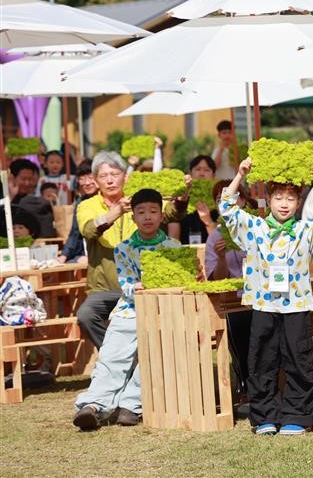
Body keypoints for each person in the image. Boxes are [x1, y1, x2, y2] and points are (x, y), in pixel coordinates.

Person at [219, 157, 313, 436]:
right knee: (261, 360)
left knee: (298, 360)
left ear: (299, 203)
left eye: (290, 198)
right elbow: (226, 207)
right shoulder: (254, 228)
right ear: (268, 200)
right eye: (278, 197)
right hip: (263, 304)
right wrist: (240, 174)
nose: (284, 204)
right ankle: (264, 416)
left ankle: (297, 416)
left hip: (297, 305)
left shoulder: (307, 229)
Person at [72, 189, 183, 430]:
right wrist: (140, 287)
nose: (147, 217)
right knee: (112, 356)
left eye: (153, 211)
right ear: (132, 217)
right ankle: (92, 406)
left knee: (156, 355)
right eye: (141, 212)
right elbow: (126, 284)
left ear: (161, 215)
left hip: (163, 311)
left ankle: (130, 405)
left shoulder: (173, 247)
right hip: (129, 310)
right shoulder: (123, 248)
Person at [76, 151, 188, 350]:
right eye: (103, 176)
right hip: (105, 288)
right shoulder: (87, 205)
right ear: (95, 180)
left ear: (125, 176)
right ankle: (113, 352)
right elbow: (88, 230)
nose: (110, 180)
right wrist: (115, 212)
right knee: (85, 315)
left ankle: (152, 353)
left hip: (143, 283)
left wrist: (181, 198)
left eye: (114, 174)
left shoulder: (139, 201)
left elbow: (171, 213)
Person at [205, 180, 253, 402]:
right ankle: (245, 386)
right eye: (220, 200)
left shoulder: (257, 227)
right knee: (238, 321)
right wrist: (222, 256)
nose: (226, 204)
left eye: (234, 199)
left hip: (262, 297)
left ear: (243, 201)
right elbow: (216, 280)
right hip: (234, 302)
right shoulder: (215, 237)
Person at [59, 162, 99, 264]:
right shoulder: (81, 201)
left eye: (90, 177)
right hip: (84, 252)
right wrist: (63, 256)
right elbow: (75, 232)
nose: (86, 183)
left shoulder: (106, 198)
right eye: (82, 179)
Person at [9, 158, 57, 238]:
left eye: (30, 179)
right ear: (12, 178)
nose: (27, 183)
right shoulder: (4, 197)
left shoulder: (33, 201)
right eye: (23, 179)